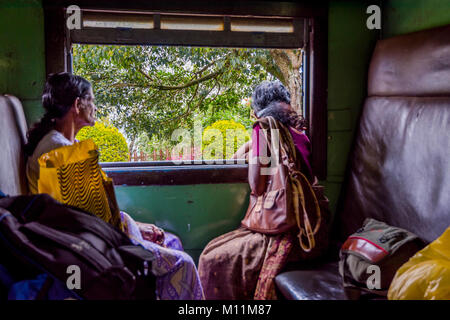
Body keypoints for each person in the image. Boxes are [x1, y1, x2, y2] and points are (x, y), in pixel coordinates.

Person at [24, 72, 204, 300]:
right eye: (92, 100)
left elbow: (92, 207)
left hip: (91, 232)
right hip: (79, 244)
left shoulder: (69, 144)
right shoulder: (57, 150)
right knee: (184, 263)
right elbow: (81, 218)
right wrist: (129, 233)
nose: (95, 107)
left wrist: (132, 224)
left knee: (172, 241)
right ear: (78, 105)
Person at [198, 80, 314, 300]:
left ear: (258, 109)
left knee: (211, 257)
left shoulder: (263, 129)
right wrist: (251, 144)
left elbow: (257, 185)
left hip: (281, 226)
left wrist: (254, 142)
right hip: (308, 225)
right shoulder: (301, 132)